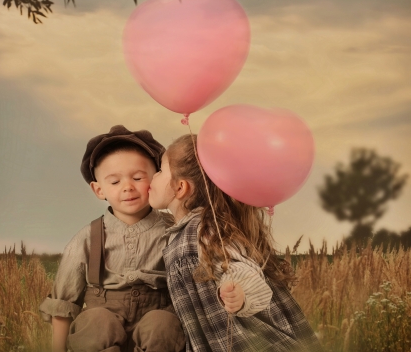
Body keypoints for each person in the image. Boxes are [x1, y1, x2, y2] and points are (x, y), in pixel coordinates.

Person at [148, 134, 324, 352]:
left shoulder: (203, 230)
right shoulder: (184, 231)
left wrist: (240, 291)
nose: (152, 177)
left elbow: (243, 270)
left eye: (160, 171)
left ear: (181, 187)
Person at [39, 125, 186, 352]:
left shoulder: (175, 230)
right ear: (99, 190)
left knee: (163, 324)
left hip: (156, 324)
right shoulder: (87, 238)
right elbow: (63, 304)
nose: (128, 187)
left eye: (138, 177)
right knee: (97, 322)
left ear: (156, 178)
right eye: (115, 182)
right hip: (102, 331)